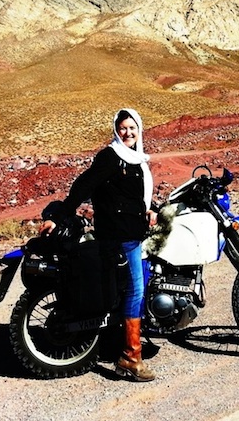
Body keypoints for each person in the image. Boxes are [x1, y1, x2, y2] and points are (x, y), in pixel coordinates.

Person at [39, 107, 157, 382]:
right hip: (119, 235)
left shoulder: (137, 159)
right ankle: (130, 357)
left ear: (139, 130)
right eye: (123, 128)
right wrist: (59, 215)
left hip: (133, 231)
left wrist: (150, 210)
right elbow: (84, 185)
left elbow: (132, 197)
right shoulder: (110, 156)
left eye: (132, 128)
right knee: (136, 291)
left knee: (138, 284)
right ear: (116, 130)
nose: (128, 132)